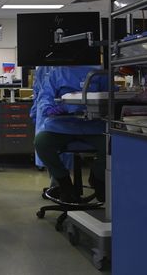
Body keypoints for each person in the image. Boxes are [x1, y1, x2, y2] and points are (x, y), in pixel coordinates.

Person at [34, 66, 107, 203]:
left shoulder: (100, 72)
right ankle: (64, 182)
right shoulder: (56, 73)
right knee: (42, 143)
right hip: (62, 125)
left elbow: (110, 95)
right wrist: (48, 108)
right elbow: (45, 96)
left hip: (93, 126)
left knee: (112, 145)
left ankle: (98, 178)